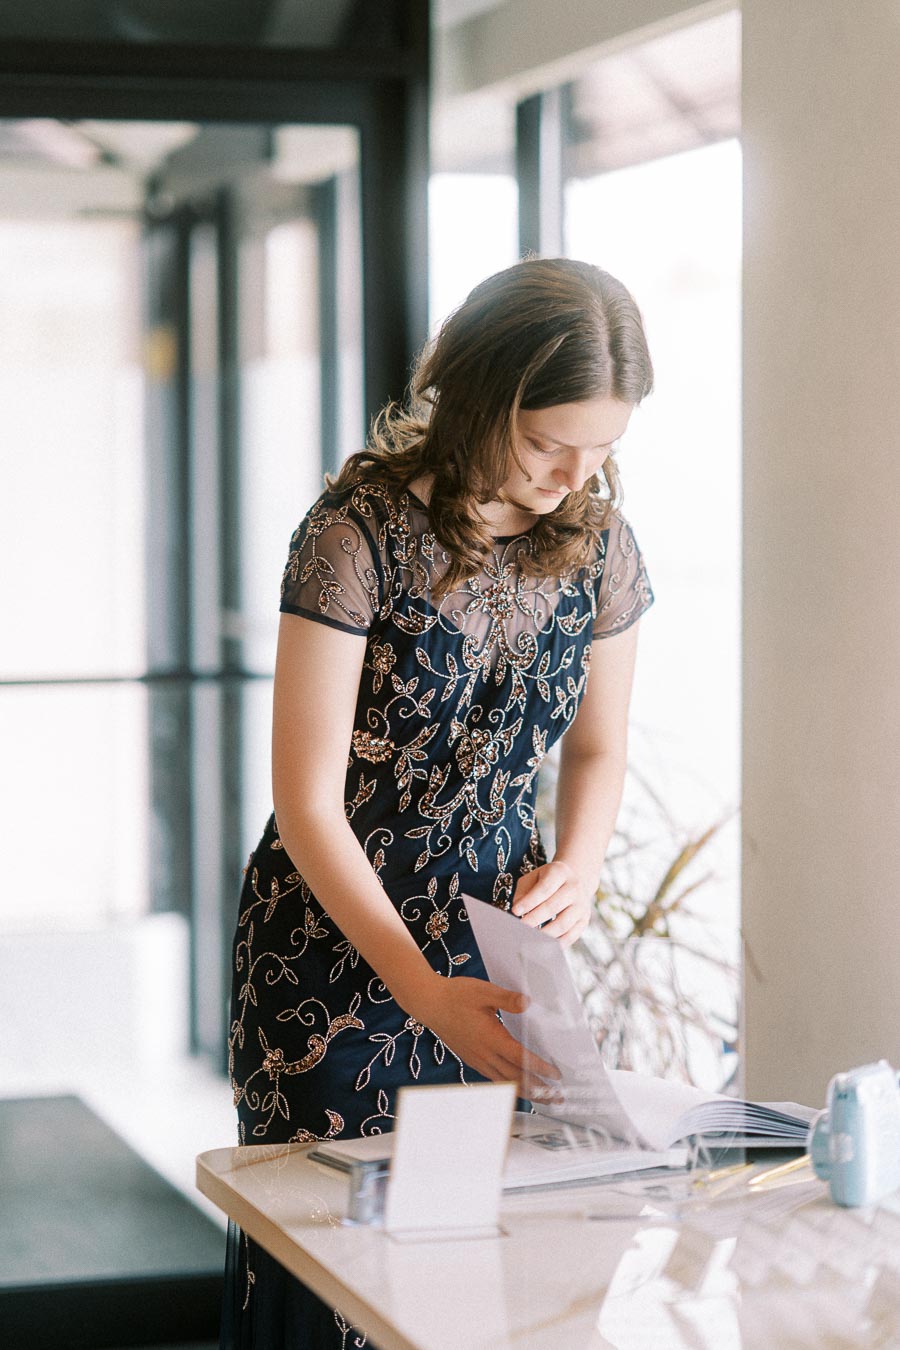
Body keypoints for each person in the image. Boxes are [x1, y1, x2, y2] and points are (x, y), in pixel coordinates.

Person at [221, 256, 654, 1349]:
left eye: (602, 448)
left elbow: (599, 745)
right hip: (335, 948)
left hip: (498, 952)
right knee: (338, 1269)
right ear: (479, 395)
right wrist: (415, 990)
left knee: (489, 1261)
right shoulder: (354, 533)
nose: (574, 475)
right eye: (552, 441)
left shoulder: (598, 545)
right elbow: (306, 799)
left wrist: (586, 862)